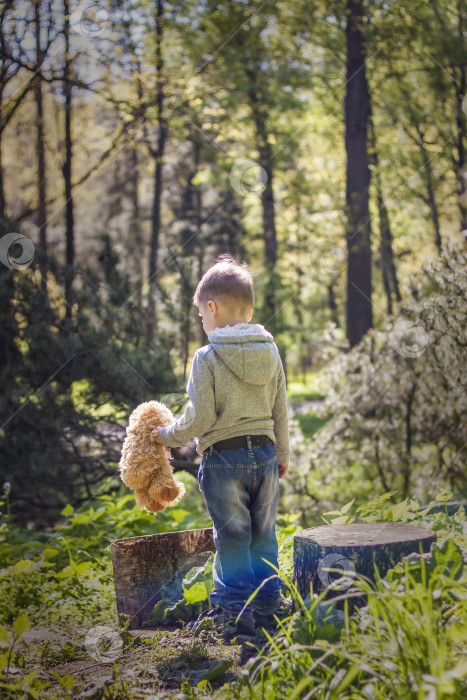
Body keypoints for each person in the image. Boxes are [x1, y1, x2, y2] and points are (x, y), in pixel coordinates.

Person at [156, 253, 290, 635]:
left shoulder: (207, 357)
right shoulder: (271, 351)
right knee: (264, 533)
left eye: (202, 315)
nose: (202, 322)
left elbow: (200, 419)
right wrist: (282, 454)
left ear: (211, 308)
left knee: (232, 537)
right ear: (248, 314)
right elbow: (281, 408)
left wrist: (166, 436)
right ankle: (268, 607)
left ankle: (234, 613)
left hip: (223, 459)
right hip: (264, 456)